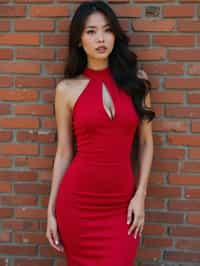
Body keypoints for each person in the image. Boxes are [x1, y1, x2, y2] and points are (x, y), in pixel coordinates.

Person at [46, 1, 155, 265]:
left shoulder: (137, 83)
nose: (100, 39)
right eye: (91, 31)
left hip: (121, 206)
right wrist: (50, 211)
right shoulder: (66, 90)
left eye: (106, 30)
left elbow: (146, 143)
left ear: (115, 36)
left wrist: (140, 196)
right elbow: (63, 152)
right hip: (77, 204)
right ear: (79, 40)